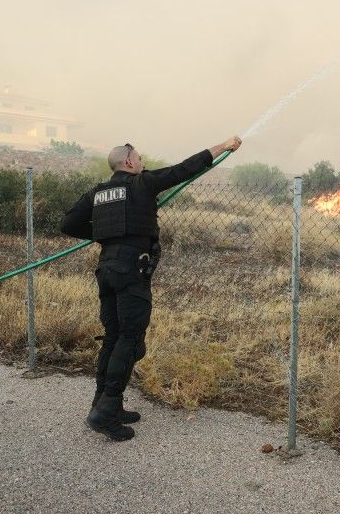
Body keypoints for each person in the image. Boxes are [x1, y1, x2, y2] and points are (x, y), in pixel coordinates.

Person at [61, 136, 242, 440]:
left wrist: (106, 233)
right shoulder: (142, 183)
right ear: (130, 162)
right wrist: (223, 146)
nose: (143, 163)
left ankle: (103, 404)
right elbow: (184, 169)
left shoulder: (99, 192)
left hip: (106, 269)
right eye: (141, 159)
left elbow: (68, 224)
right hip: (130, 270)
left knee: (114, 337)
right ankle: (106, 413)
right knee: (130, 339)